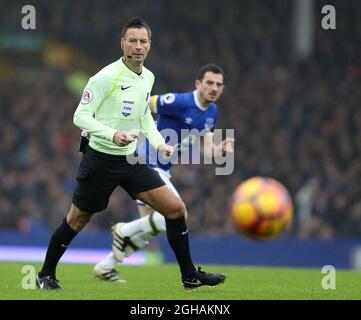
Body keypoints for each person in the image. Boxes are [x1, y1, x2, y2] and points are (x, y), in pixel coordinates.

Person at [36, 17, 226, 290]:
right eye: (133, 41)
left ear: (149, 45)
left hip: (130, 158)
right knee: (77, 219)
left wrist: (159, 142)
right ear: (123, 43)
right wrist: (112, 134)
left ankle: (189, 275)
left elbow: (145, 116)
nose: (138, 46)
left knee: (175, 209)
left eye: (143, 41)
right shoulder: (104, 77)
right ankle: (46, 274)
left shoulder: (148, 77)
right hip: (100, 159)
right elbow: (80, 116)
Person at [93, 63, 234, 282]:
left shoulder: (212, 113)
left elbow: (207, 150)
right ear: (198, 84)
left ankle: (106, 265)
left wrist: (219, 151)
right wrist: (133, 129)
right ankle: (124, 230)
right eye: (209, 83)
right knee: (178, 214)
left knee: (150, 228)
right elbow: (145, 103)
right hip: (146, 162)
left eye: (219, 84)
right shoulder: (180, 101)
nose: (214, 88)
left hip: (163, 169)